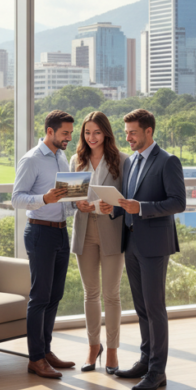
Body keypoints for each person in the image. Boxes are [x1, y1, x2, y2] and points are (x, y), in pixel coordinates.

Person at [110, 109, 186, 390]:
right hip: (131, 242)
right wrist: (115, 208)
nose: (127, 137)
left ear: (149, 132)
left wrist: (140, 208)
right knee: (141, 308)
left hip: (155, 245)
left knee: (155, 309)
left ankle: (157, 371)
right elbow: (129, 201)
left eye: (132, 132)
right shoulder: (130, 162)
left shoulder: (168, 161)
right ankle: (145, 361)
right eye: (126, 132)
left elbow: (178, 202)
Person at [11, 110, 78, 379]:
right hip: (39, 233)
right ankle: (35, 359)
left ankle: (46, 350)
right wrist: (44, 199)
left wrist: (76, 203)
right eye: (65, 133)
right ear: (49, 131)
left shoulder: (61, 156)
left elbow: (64, 198)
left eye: (71, 134)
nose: (69, 139)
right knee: (39, 297)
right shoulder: (31, 159)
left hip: (61, 232)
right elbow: (17, 199)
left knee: (55, 295)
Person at [69, 111, 125, 374]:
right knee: (90, 294)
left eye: (97, 132)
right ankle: (94, 347)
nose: (91, 137)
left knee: (111, 295)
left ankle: (112, 351)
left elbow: (126, 199)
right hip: (85, 230)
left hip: (112, 232)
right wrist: (76, 203)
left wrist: (112, 204)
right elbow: (70, 198)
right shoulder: (76, 160)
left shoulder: (121, 161)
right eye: (87, 132)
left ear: (106, 134)